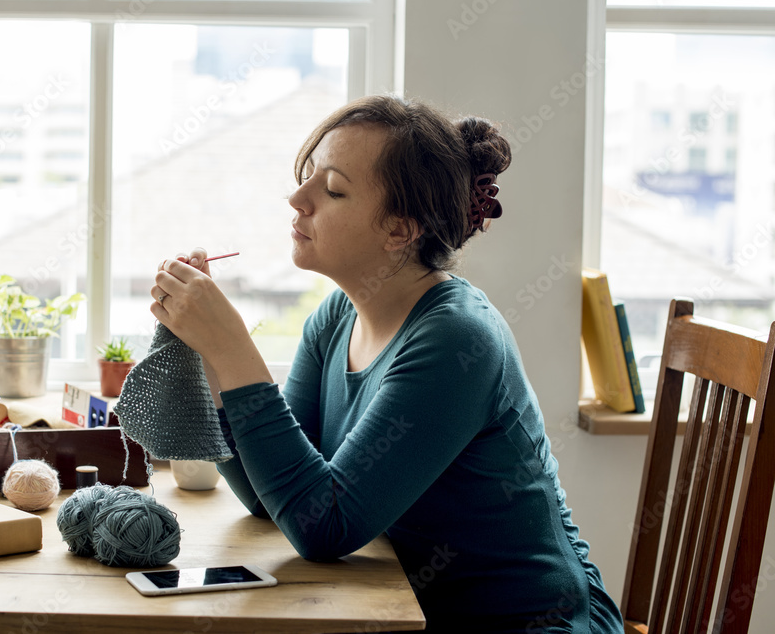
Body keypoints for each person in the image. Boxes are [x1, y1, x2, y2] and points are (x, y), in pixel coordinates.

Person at [150, 94, 624, 633]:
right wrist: (212, 352)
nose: (297, 198)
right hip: (411, 615)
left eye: (331, 189)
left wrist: (234, 347)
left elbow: (324, 529)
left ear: (400, 231)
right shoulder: (337, 317)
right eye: (306, 177)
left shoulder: (456, 339)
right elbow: (270, 499)